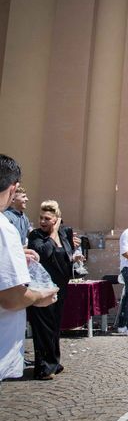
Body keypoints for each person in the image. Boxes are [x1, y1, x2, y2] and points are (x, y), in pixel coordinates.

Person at [0, 154, 58, 382]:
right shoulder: (5, 228)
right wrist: (41, 295)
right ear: (13, 188)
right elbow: (12, 298)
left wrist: (14, 254)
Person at [27, 200, 83, 380]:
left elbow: (65, 255)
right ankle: (42, 368)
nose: (42, 221)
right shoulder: (36, 235)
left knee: (54, 326)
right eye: (41, 217)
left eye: (47, 218)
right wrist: (52, 234)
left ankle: (54, 362)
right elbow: (43, 253)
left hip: (60, 286)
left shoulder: (65, 233)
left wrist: (75, 257)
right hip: (42, 287)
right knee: (42, 327)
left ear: (56, 219)